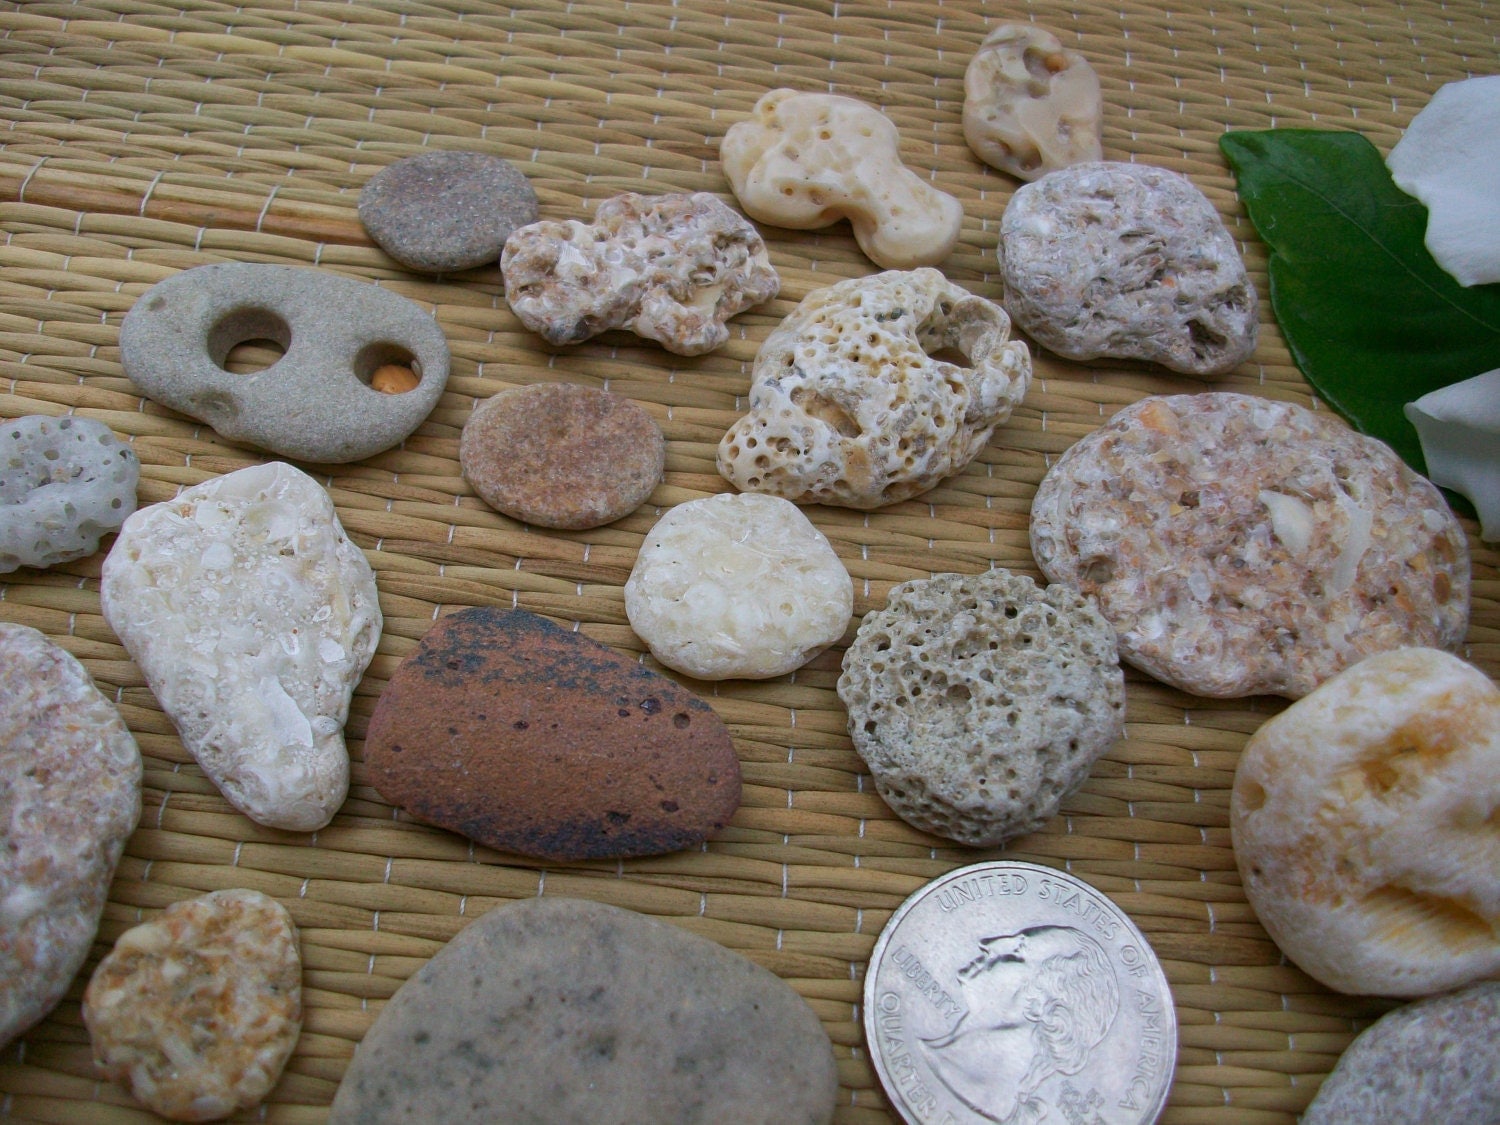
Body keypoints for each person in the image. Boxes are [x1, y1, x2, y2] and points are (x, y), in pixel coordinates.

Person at [918, 924, 1121, 1124]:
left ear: (1038, 1005)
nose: (988, 943)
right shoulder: (928, 1055)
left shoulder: (978, 1097)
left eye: (1018, 951)